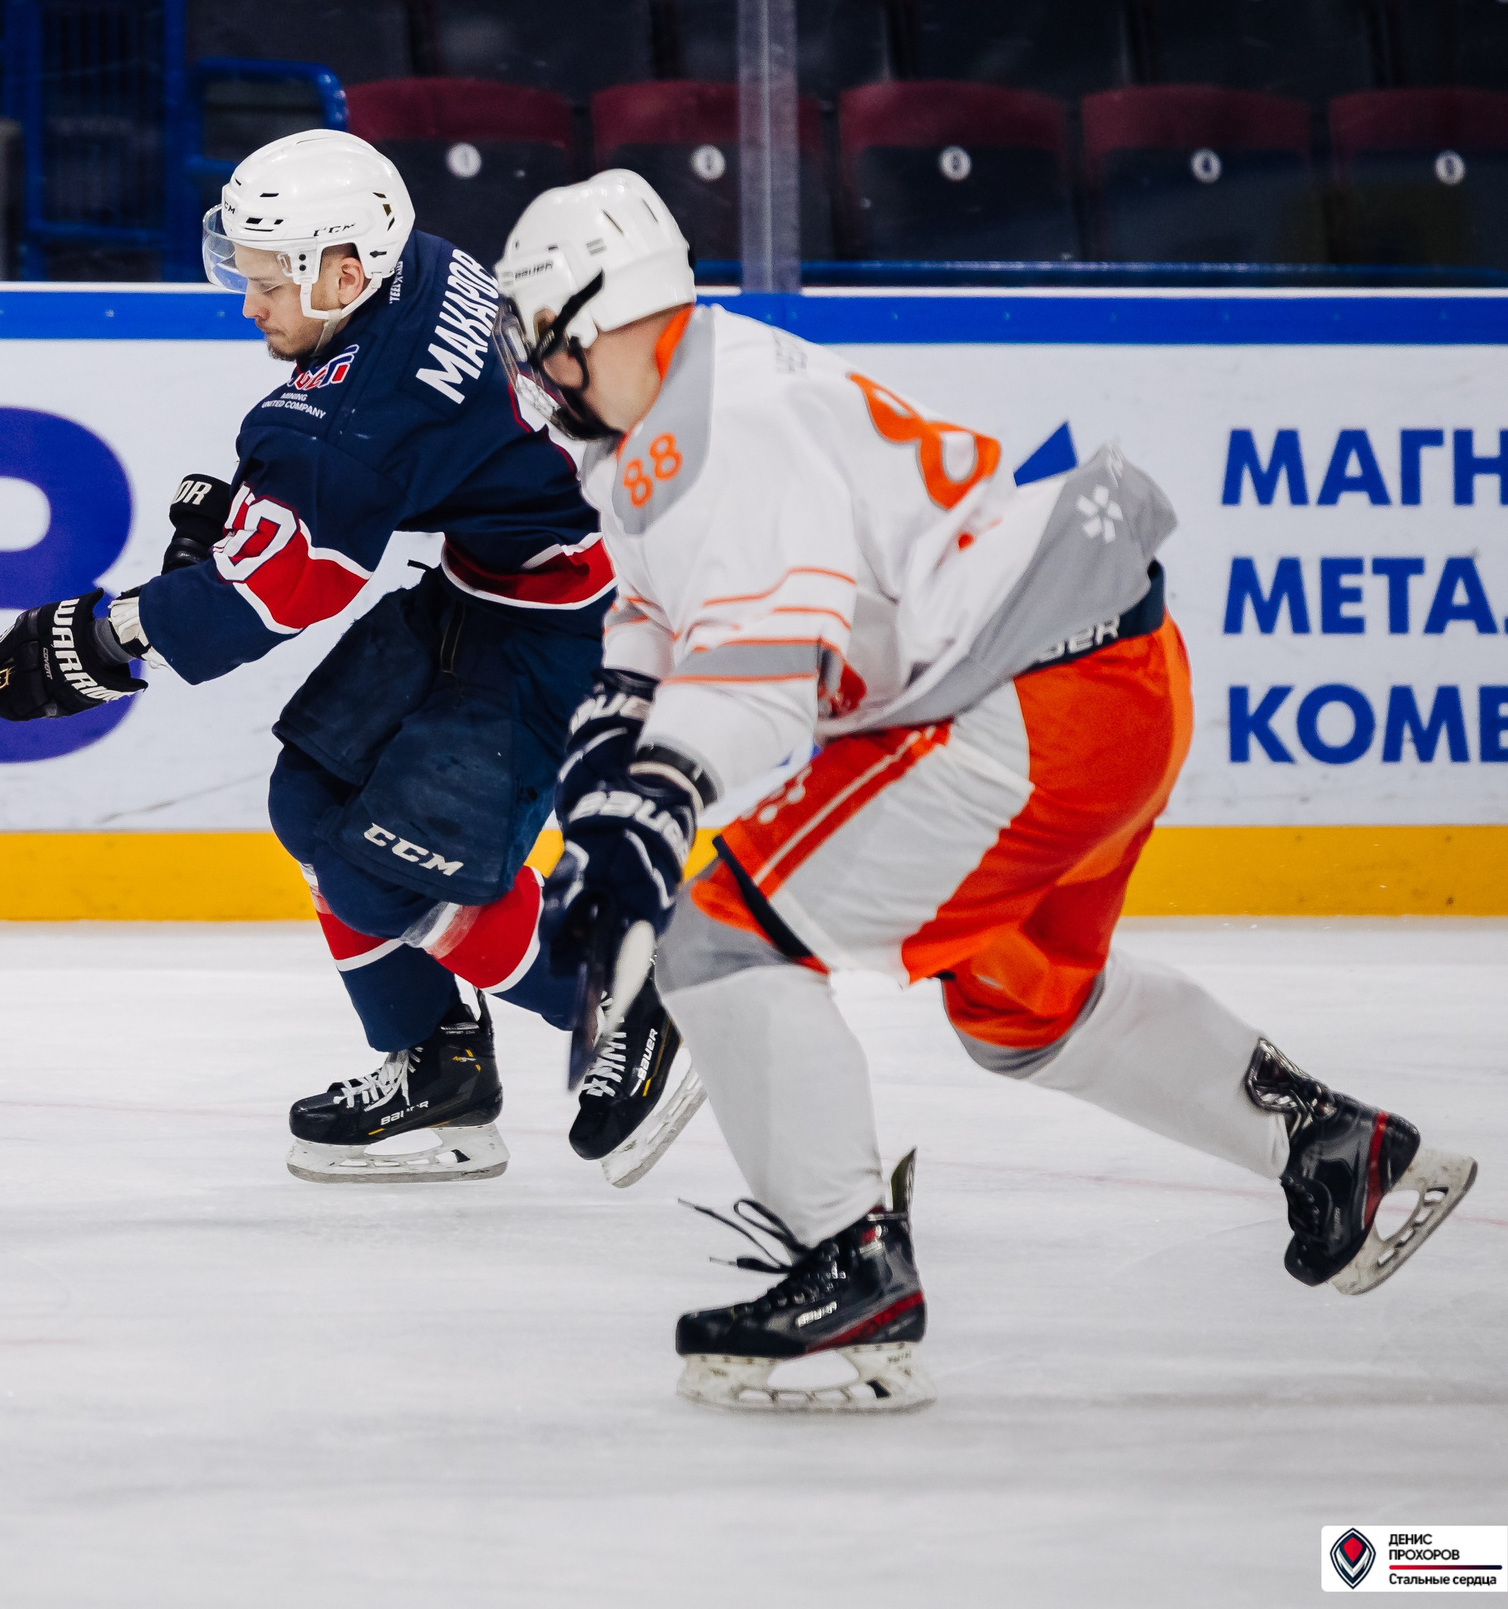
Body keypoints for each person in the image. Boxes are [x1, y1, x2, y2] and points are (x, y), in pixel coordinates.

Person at [493, 169, 1480, 1411]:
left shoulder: (722, 432)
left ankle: (851, 1281)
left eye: (542, 340)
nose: (534, 375)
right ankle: (1333, 1149)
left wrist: (653, 811)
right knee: (1020, 1002)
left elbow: (759, 682)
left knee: (720, 943)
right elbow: (658, 613)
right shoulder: (673, 403)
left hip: (1024, 708)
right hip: (1101, 679)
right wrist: (606, 778)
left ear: (599, 316)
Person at [0, 129, 675, 1184]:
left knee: (378, 870)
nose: (248, 306)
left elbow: (282, 589)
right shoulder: (419, 264)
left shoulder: (350, 420)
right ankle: (439, 1065)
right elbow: (384, 459)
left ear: (345, 273)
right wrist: (243, 525)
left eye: (268, 283)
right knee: (309, 797)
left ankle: (621, 992)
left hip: (586, 620)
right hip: (495, 580)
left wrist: (103, 640)